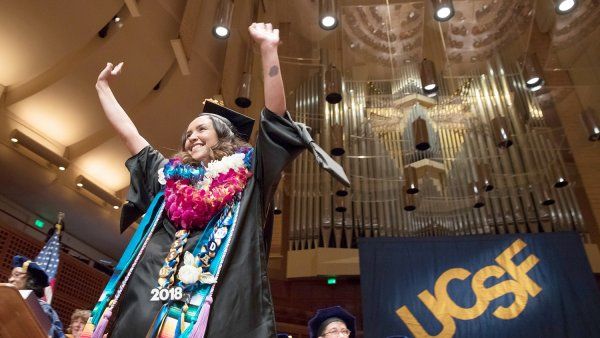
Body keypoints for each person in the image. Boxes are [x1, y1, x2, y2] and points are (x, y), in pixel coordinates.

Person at [83, 22, 347, 338]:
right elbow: (130, 135)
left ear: (222, 136)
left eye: (201, 129)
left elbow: (275, 118)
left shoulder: (250, 177)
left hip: (211, 300)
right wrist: (102, 88)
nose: (192, 136)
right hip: (150, 289)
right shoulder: (170, 179)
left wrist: (268, 50)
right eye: (188, 133)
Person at [9, 255, 65, 338]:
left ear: (30, 280)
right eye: (11, 275)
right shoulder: (6, 302)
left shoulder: (41, 307)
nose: (11, 279)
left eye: (17, 275)